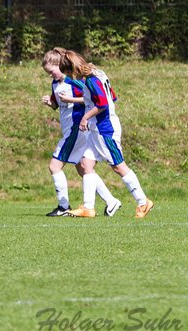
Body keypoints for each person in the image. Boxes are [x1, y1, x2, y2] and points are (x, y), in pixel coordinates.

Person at [60, 49, 154, 219]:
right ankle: (88, 208)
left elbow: (103, 102)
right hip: (97, 129)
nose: (71, 77)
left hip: (105, 129)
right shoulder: (99, 73)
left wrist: (85, 117)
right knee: (86, 164)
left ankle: (143, 201)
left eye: (68, 73)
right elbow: (113, 97)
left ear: (73, 69)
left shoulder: (91, 80)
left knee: (118, 166)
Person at [40, 49, 121, 217]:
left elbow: (89, 97)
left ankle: (63, 207)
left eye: (51, 71)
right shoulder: (55, 83)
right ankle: (111, 201)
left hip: (75, 129)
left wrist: (71, 100)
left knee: (54, 166)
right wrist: (51, 103)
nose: (50, 75)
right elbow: (57, 105)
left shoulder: (73, 82)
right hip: (69, 129)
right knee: (83, 167)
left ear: (59, 65)